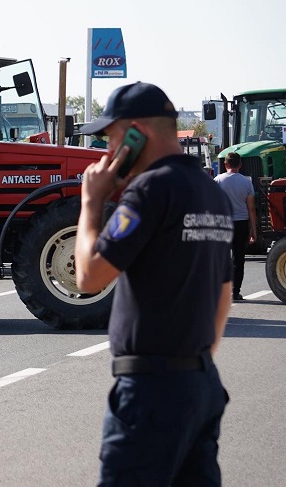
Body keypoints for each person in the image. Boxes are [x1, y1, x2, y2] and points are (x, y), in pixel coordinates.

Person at [73, 82, 233, 485]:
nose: (108, 153)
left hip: (151, 390)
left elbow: (88, 277)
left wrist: (91, 205)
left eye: (111, 139)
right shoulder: (209, 192)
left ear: (135, 134)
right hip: (199, 382)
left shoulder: (150, 189)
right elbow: (223, 293)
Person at [214, 151, 257, 301]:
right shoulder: (246, 182)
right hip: (241, 223)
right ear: (240, 164)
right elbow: (251, 208)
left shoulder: (217, 180)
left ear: (225, 164)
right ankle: (235, 292)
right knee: (238, 258)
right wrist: (254, 230)